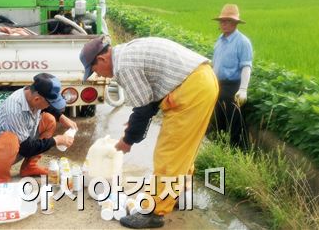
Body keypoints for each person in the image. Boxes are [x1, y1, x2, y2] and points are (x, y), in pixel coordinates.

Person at [80, 36, 219, 229]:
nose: (99, 76)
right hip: (202, 81)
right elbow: (149, 101)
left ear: (102, 59)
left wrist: (127, 141)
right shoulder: (126, 53)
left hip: (192, 89)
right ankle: (177, 193)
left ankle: (154, 212)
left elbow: (143, 110)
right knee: (184, 149)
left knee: (168, 154)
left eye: (95, 71)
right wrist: (135, 125)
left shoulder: (123, 66)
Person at [0, 73, 77, 183]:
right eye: (50, 103)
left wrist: (61, 117)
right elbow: (26, 149)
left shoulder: (31, 94)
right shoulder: (15, 109)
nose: (50, 106)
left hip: (18, 146)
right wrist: (56, 140)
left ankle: (29, 167)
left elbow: (47, 106)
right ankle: (2, 181)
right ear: (37, 99)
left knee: (49, 120)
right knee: (9, 140)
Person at [210, 4, 253, 149]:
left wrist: (243, 89)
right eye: (222, 21)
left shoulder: (242, 42)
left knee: (235, 125)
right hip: (217, 86)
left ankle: (237, 155)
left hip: (233, 88)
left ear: (235, 23)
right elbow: (216, 62)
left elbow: (246, 66)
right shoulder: (220, 40)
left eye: (227, 21)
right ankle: (220, 153)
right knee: (219, 123)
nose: (223, 24)